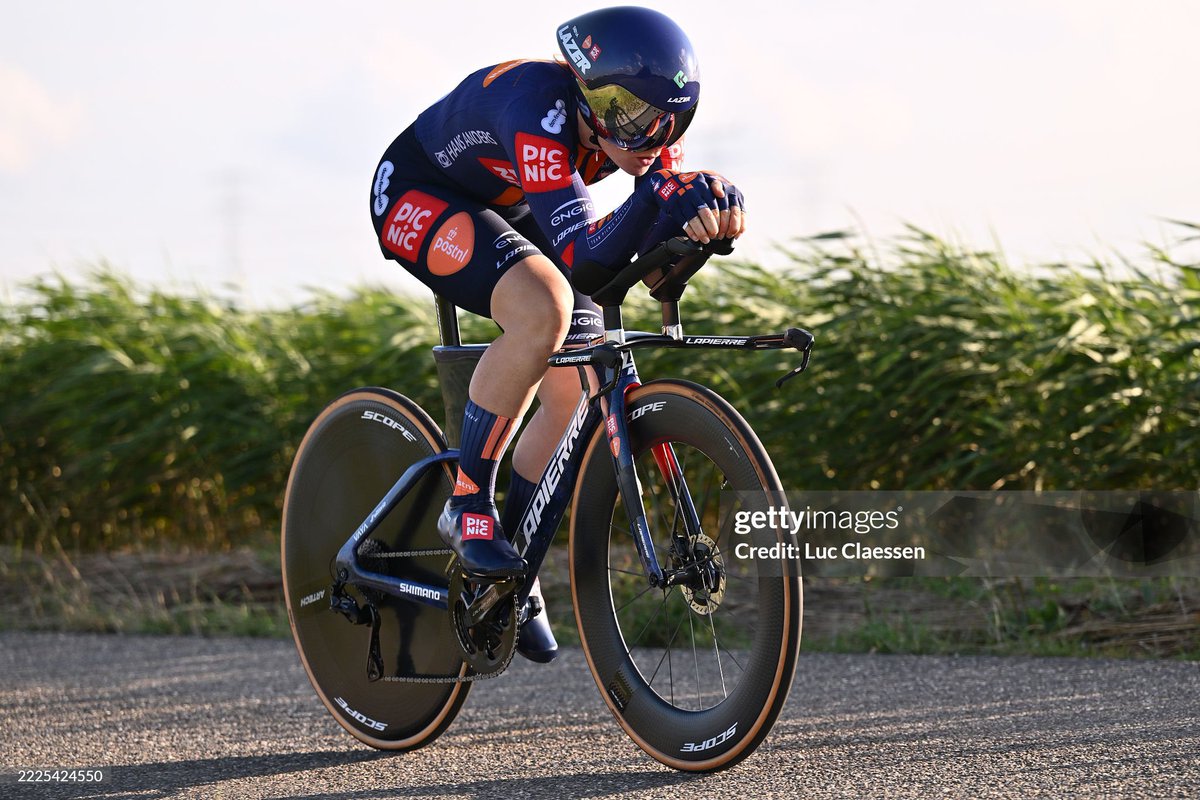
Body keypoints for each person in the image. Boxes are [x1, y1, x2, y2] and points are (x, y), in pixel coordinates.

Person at [368, 6, 746, 663]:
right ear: (588, 93)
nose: (652, 138)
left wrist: (699, 231)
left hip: (506, 200)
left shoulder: (644, 127)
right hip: (417, 192)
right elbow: (587, 258)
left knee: (578, 369)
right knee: (543, 307)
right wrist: (659, 201)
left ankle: (509, 565)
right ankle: (467, 504)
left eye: (671, 122)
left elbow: (640, 273)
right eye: (631, 117)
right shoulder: (539, 115)